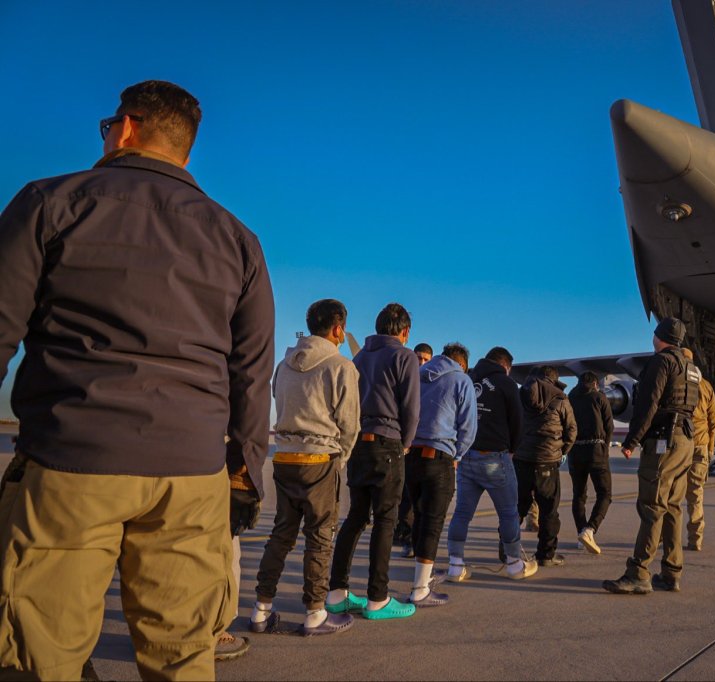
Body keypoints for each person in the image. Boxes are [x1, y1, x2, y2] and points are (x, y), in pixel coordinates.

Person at [0, 80, 274, 679]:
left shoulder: (51, 201)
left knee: (41, 649)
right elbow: (252, 373)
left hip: (74, 459)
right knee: (182, 654)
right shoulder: (238, 239)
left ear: (125, 127)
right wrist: (245, 472)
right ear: (186, 150)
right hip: (192, 475)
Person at [248, 299, 360, 636]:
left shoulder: (284, 365)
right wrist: (341, 457)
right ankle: (314, 611)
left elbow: (276, 401)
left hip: (284, 458)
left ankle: (261, 608)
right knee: (320, 537)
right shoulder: (341, 366)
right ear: (338, 328)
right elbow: (349, 422)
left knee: (281, 535)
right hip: (319, 459)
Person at [326, 303, 419, 620]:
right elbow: (411, 407)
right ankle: (378, 598)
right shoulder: (404, 356)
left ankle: (337, 592)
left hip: (359, 444)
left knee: (355, 517)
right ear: (404, 332)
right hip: (387, 442)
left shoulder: (360, 357)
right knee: (386, 520)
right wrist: (405, 445)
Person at [603, 317, 701, 595]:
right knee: (672, 507)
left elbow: (648, 404)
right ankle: (671, 572)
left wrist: (632, 440)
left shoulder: (661, 362)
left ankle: (638, 573)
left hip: (663, 441)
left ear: (659, 337)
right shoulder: (691, 368)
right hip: (685, 441)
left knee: (651, 506)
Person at [447, 347, 538, 581]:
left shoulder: (468, 379)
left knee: (462, 512)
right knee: (508, 512)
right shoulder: (506, 384)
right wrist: (512, 450)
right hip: (494, 457)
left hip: (467, 456)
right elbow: (518, 422)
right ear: (506, 366)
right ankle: (514, 563)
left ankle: (455, 565)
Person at [404, 343, 477, 606]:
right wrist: (457, 455)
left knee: (419, 517)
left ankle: (422, 576)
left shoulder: (417, 374)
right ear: (462, 364)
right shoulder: (461, 380)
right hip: (439, 456)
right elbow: (468, 427)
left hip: (411, 456)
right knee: (433, 522)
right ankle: (420, 588)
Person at [515, 366, 577, 567]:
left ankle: (508, 551)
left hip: (521, 459)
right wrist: (562, 451)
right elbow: (571, 430)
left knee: (517, 507)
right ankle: (546, 555)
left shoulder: (520, 396)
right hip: (548, 462)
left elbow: (511, 424)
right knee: (549, 510)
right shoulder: (561, 399)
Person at [567, 371, 614, 555]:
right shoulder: (599, 397)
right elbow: (609, 426)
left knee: (579, 494)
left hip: (576, 452)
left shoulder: (570, 398)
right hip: (596, 451)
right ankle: (590, 529)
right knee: (605, 493)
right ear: (595, 383)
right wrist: (605, 447)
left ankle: (581, 532)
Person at [394, 344, 432, 556]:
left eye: (426, 359)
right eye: (419, 358)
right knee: (406, 498)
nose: (422, 363)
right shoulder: (404, 379)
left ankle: (418, 540)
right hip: (406, 447)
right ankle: (407, 539)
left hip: (425, 447)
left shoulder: (433, 384)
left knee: (423, 499)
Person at [681, 348, 715, 551]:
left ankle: (663, 536)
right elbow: (713, 421)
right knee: (695, 495)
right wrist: (710, 449)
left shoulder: (678, 382)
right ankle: (696, 539)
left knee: (669, 494)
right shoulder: (706, 386)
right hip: (700, 446)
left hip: (680, 445)